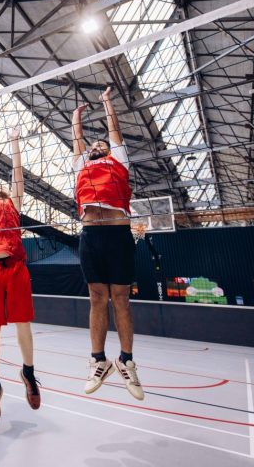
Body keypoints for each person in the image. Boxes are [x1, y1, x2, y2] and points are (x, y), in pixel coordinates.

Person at [72, 87, 144, 401]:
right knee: (97, 298)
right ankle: (98, 361)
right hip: (90, 236)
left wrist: (107, 103)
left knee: (121, 299)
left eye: (101, 145)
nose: (97, 146)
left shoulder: (118, 161)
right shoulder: (81, 166)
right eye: (94, 145)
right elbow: (77, 140)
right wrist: (75, 119)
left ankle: (126, 361)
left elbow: (115, 131)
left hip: (118, 234)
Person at [0, 127, 40, 425]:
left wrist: (15, 141)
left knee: (23, 322)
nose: (0, 190)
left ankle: (28, 372)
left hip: (14, 267)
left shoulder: (14, 204)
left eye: (5, 189)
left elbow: (18, 174)